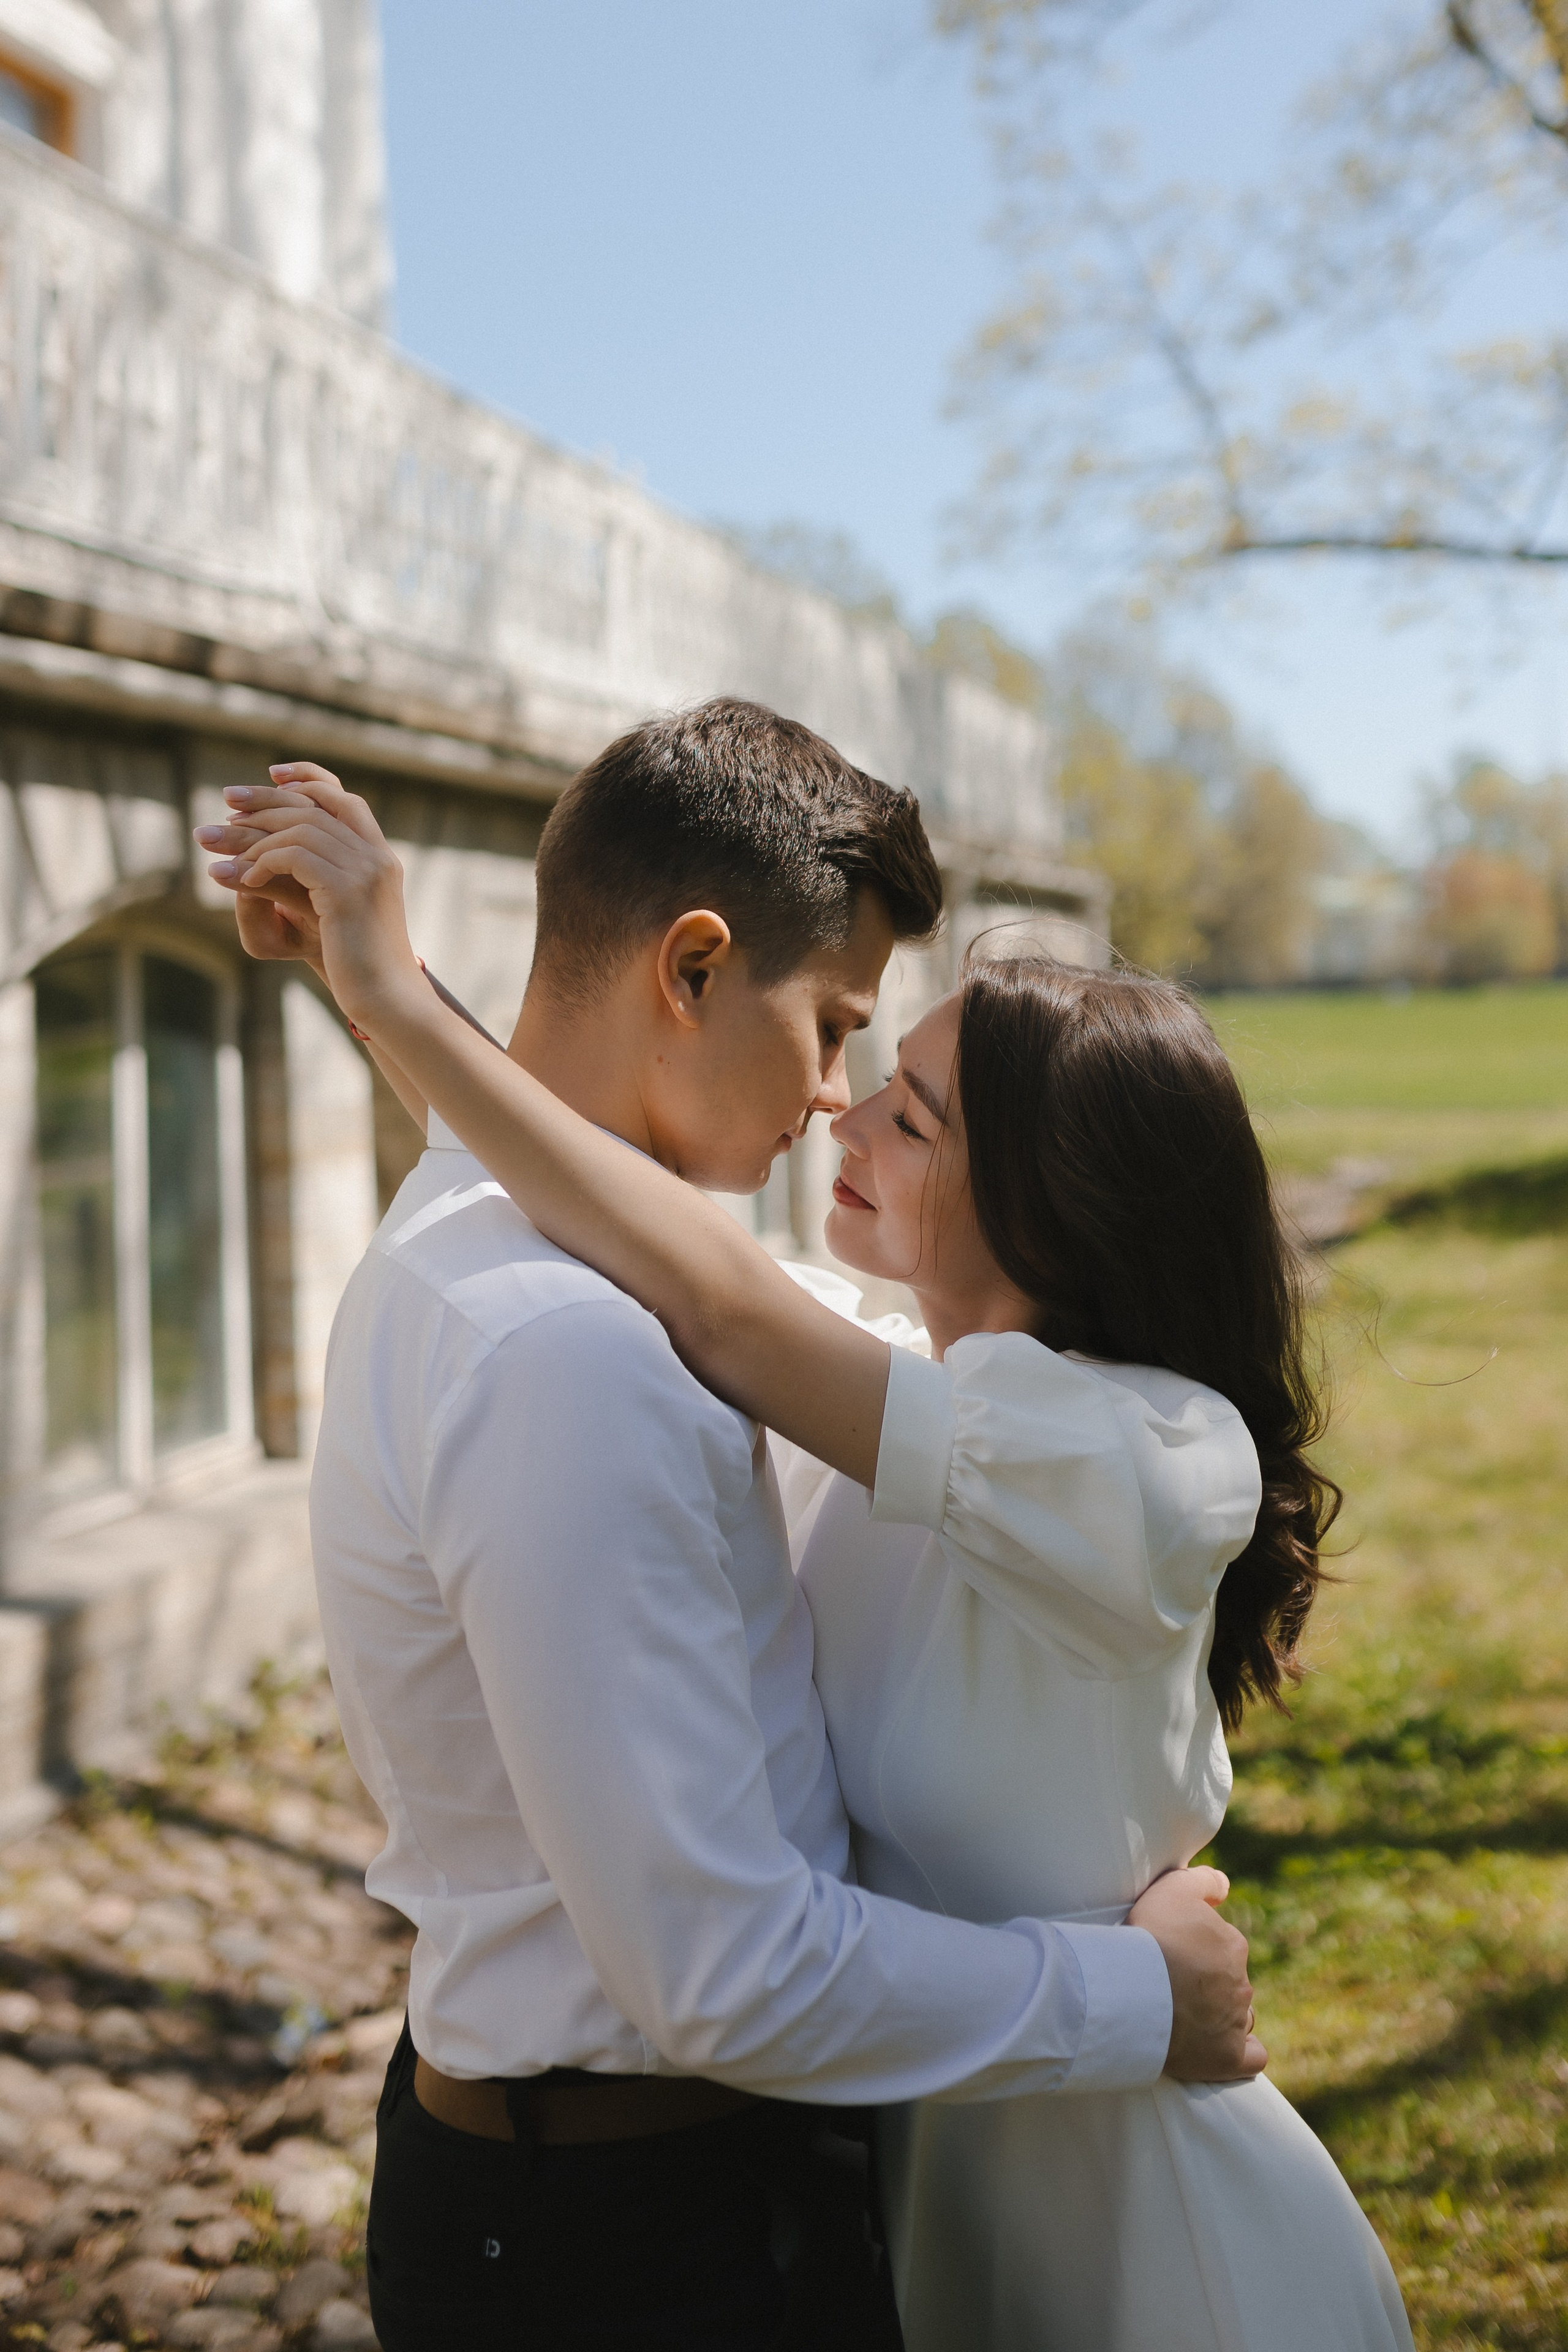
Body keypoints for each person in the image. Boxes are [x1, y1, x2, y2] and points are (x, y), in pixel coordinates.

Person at [197, 704, 1260, 2352]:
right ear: (692, 969)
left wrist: (393, 998)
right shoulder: (575, 1354)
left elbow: (716, 1287)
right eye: (835, 1029)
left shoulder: (525, 1251)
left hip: (670, 2179)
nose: (835, 1100)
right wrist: (1140, 1996)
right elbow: (727, 1972)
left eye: (901, 1097)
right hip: (640, 2237)